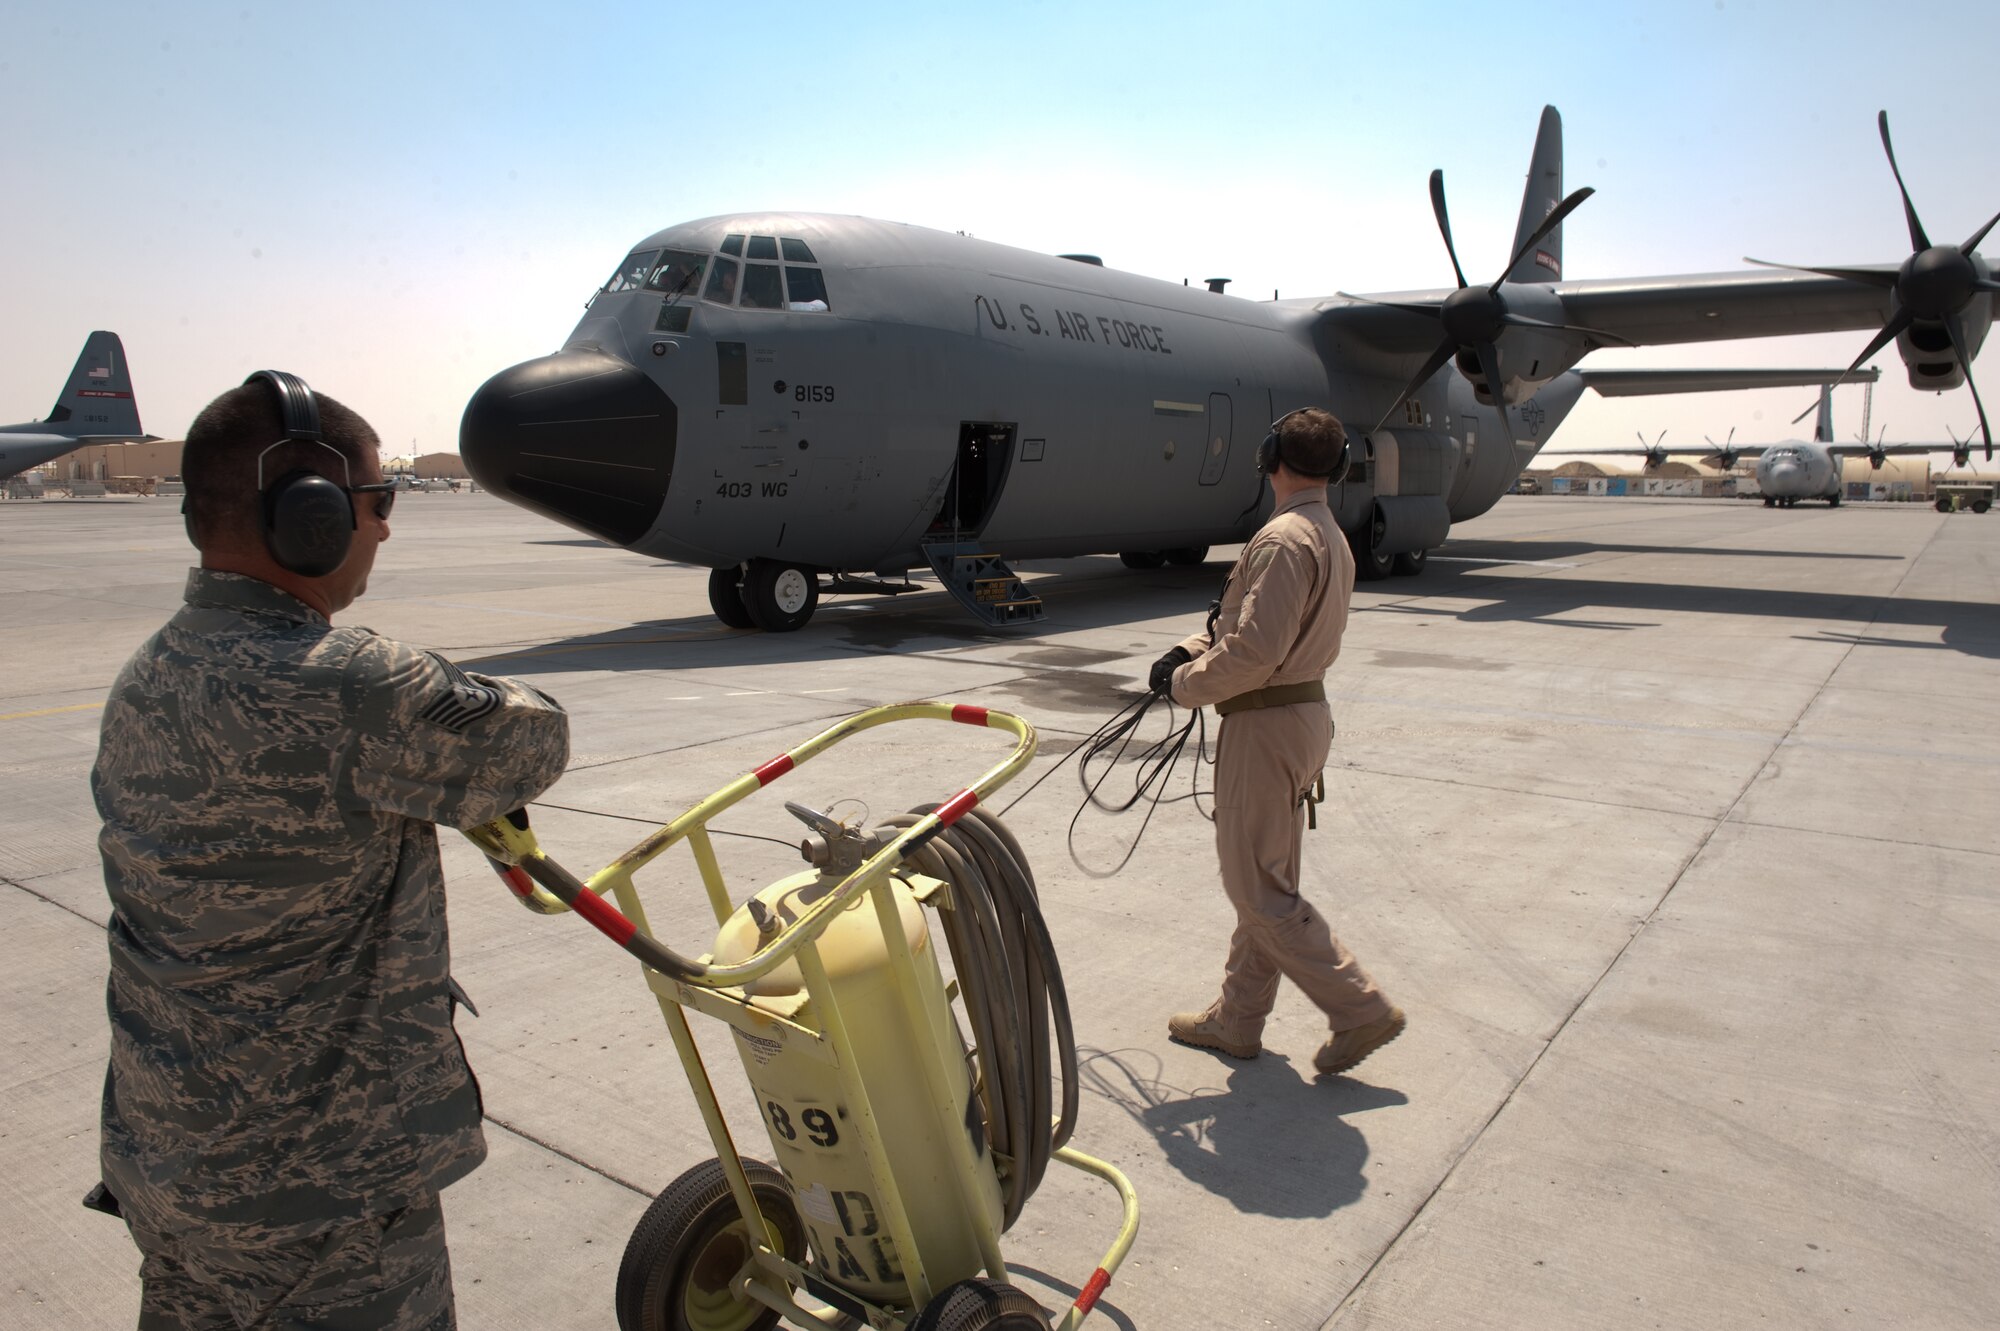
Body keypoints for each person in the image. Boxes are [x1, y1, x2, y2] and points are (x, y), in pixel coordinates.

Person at [90, 372, 570, 1329]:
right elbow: (536, 739)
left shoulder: (148, 674)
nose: (384, 527)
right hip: (317, 1198)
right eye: (374, 501)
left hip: (168, 1162)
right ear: (306, 517)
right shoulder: (354, 686)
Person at [1151, 407, 1405, 1077]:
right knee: (1265, 879)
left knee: (1258, 889)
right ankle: (1238, 1018)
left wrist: (1183, 684)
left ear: (1270, 457)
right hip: (1298, 716)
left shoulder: (1284, 538)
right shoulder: (1327, 533)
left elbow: (1257, 650)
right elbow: (1254, 632)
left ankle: (1359, 1007)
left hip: (1264, 724)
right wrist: (1186, 650)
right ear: (1338, 466)